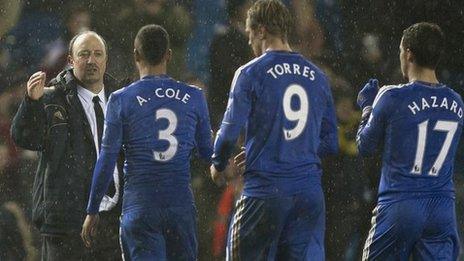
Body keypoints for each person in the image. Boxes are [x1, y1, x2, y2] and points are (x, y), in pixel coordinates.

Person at [210, 0, 339, 259]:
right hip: (308, 194)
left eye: (249, 34)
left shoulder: (250, 73)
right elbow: (331, 142)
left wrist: (218, 164)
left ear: (260, 30)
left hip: (266, 192)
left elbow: (229, 133)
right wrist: (292, 150)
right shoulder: (317, 76)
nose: (249, 43)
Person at [81, 24, 213, 260]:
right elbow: (207, 153)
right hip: (180, 207)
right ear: (169, 55)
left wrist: (93, 209)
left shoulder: (120, 100)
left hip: (141, 207)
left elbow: (107, 159)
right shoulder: (194, 97)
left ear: (136, 55)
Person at [11, 31, 123, 260]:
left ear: (106, 60)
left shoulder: (121, 100)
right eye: (84, 54)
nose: (91, 60)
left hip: (111, 223)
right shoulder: (52, 98)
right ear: (71, 60)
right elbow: (25, 138)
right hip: (65, 226)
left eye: (97, 54)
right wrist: (31, 103)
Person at [357, 22, 462, 260]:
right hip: (442, 208)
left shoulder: (392, 96)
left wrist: (366, 107)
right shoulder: (456, 103)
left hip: (401, 204)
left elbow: (365, 146)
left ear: (408, 54)